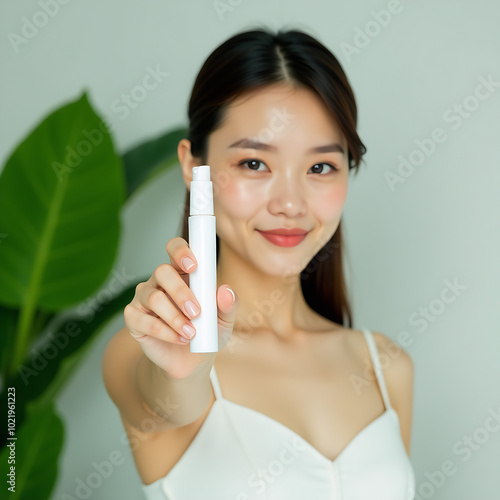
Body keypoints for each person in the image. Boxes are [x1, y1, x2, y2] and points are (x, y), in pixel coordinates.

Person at [102, 27, 416, 500]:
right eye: (254, 163)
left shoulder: (386, 366)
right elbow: (170, 399)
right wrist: (184, 366)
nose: (290, 203)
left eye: (320, 167)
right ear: (193, 165)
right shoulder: (144, 351)